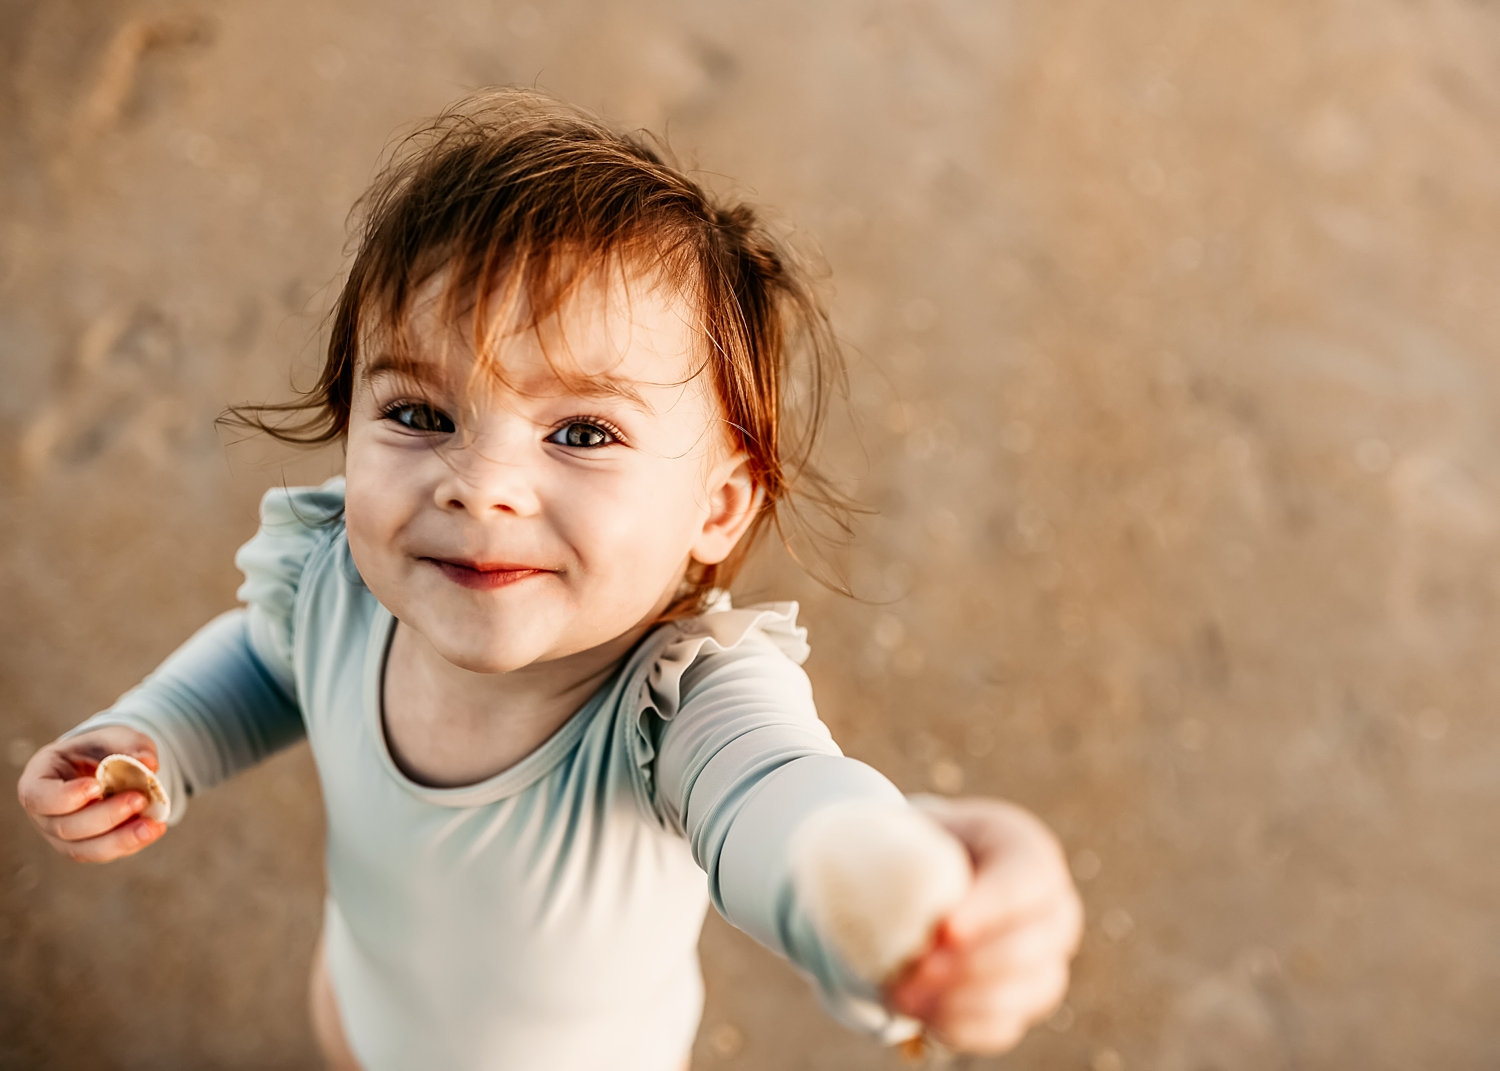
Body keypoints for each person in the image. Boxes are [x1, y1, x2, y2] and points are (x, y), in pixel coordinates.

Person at [16, 88, 1082, 1070]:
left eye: (580, 431)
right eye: (419, 414)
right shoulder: (337, 579)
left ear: (716, 506)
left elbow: (779, 807)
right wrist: (154, 737)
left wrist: (902, 898)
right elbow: (264, 659)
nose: (479, 487)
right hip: (362, 1003)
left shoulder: (683, 709)